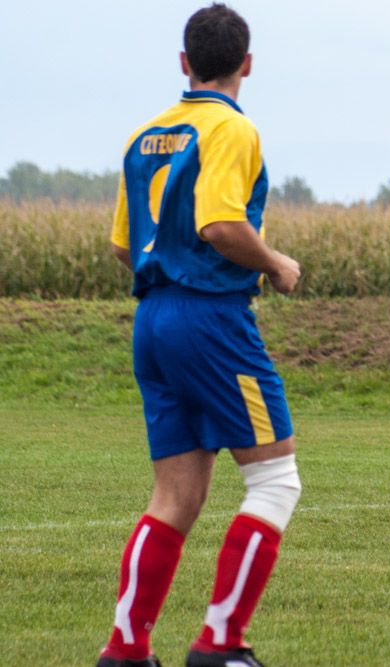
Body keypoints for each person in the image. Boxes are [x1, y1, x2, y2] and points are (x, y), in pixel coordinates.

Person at [98, 6, 302, 667]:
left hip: (152, 318)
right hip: (211, 317)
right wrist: (275, 263)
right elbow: (220, 224)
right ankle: (222, 641)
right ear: (247, 64)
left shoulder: (147, 132)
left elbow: (125, 246)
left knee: (176, 494)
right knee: (275, 480)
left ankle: (126, 649)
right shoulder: (231, 129)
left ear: (184, 62)